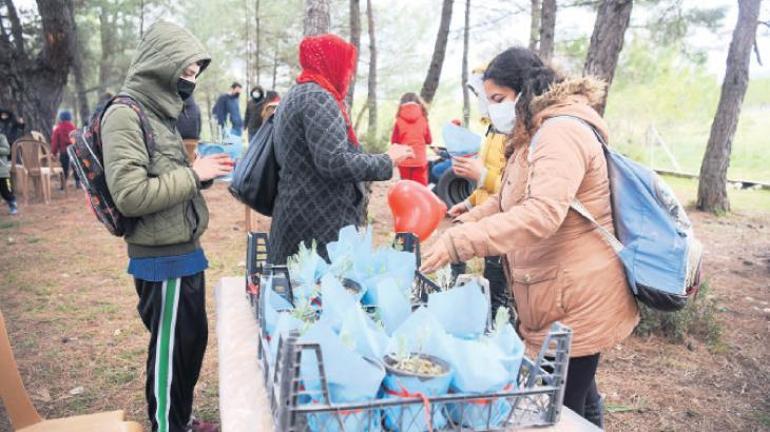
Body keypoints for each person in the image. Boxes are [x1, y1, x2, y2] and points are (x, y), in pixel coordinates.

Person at [420, 47, 639, 428]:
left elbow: (541, 214)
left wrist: (462, 243)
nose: (491, 111)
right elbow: (510, 197)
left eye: (498, 99)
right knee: (578, 399)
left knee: (557, 410)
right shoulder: (532, 132)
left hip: (577, 296)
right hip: (555, 292)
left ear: (524, 91)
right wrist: (473, 215)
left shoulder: (560, 132)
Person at [101, 21, 232, 432]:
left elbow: (167, 176)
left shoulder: (160, 115)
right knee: (171, 354)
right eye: (186, 72)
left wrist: (200, 174)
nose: (190, 82)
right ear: (161, 67)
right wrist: (194, 175)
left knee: (190, 345)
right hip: (161, 258)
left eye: (195, 74)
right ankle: (167, 426)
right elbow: (131, 194)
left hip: (185, 246)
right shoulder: (124, 114)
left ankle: (182, 418)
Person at [268, 33, 413, 264]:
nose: (349, 74)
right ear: (330, 62)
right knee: (318, 294)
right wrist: (386, 160)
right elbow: (333, 162)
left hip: (300, 213)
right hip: (319, 222)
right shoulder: (318, 97)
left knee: (296, 290)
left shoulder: (296, 94)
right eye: (345, 66)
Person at [446, 67, 511, 316]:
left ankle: (499, 331)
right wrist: (470, 203)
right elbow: (489, 181)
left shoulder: (511, 131)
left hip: (505, 222)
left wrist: (481, 175)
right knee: (490, 277)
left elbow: (514, 186)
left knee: (498, 289)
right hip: (489, 215)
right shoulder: (493, 130)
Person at [390, 93, 432, 186]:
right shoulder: (423, 119)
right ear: (419, 103)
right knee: (420, 189)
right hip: (420, 160)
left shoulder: (399, 121)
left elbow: (394, 142)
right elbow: (429, 140)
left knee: (407, 188)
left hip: (404, 160)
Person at [50, 111, 77, 190]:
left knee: (64, 168)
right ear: (70, 118)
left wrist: (53, 153)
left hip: (64, 151)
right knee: (76, 166)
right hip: (74, 150)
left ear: (60, 118)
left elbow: (55, 143)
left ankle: (63, 185)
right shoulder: (73, 128)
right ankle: (78, 182)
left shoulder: (58, 128)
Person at [177, 95, 202, 162]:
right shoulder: (196, 108)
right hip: (193, 142)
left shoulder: (174, 108)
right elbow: (199, 127)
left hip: (179, 142)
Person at [0, 133, 18, 215]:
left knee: (6, 190)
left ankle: (12, 204)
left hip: (2, 172)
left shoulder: (2, 137)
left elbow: (7, 150)